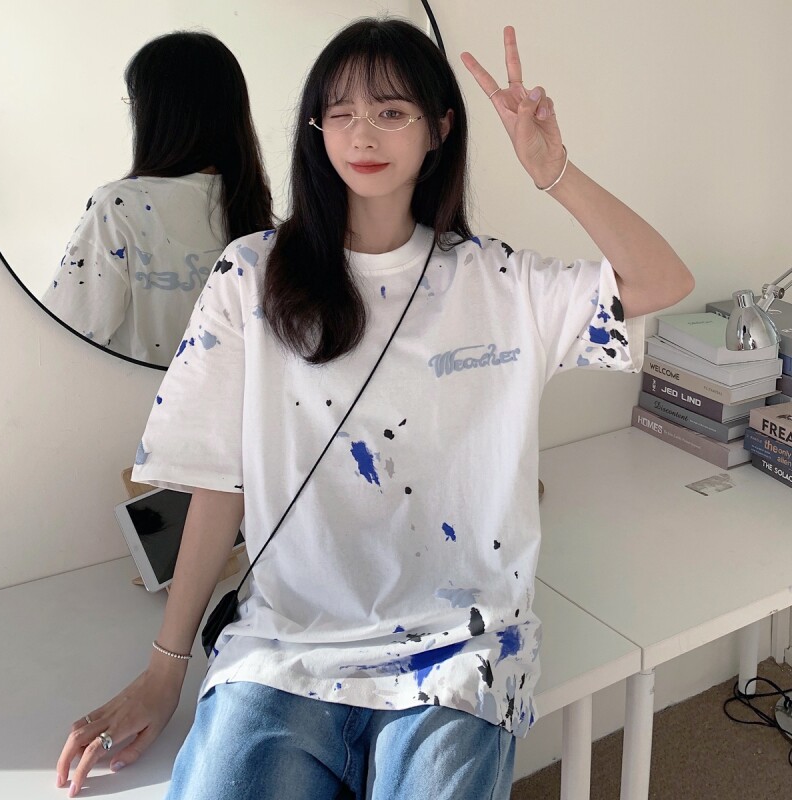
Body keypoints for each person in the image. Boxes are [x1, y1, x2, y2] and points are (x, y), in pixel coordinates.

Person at [56, 18, 694, 799]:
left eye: (391, 111)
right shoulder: (249, 275)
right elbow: (220, 484)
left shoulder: (498, 282)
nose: (363, 133)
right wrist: (166, 669)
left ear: (439, 130)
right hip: (286, 648)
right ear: (316, 128)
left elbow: (662, 281)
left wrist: (553, 171)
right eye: (342, 112)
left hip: (457, 650)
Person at [42, 31, 273, 366]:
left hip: (131, 400)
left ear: (155, 112)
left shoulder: (119, 207)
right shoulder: (250, 204)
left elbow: (60, 336)